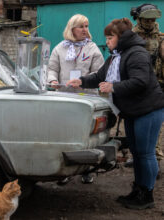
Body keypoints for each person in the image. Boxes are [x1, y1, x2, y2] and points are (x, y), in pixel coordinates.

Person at [67, 18, 164, 210]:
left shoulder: (137, 54)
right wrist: (81, 81)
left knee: (145, 153)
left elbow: (141, 81)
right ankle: (138, 190)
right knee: (137, 153)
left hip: (148, 110)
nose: (108, 41)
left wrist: (114, 87)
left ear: (121, 37)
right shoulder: (116, 56)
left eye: (110, 37)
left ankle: (147, 195)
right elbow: (99, 77)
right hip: (133, 112)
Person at [47, 14, 104, 184]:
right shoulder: (60, 48)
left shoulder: (92, 49)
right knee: (64, 134)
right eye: (81, 27)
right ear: (72, 29)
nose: (85, 30)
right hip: (64, 98)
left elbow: (99, 73)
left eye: (87, 26)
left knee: (85, 135)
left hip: (86, 99)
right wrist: (53, 81)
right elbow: (52, 69)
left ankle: (86, 170)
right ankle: (64, 172)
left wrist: (84, 82)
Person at [130, 3, 164, 179]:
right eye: (147, 19)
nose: (150, 22)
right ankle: (139, 157)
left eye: (153, 19)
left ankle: (154, 161)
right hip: (137, 86)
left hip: (156, 87)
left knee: (154, 128)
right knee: (136, 124)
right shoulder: (132, 36)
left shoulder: (160, 37)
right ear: (139, 19)